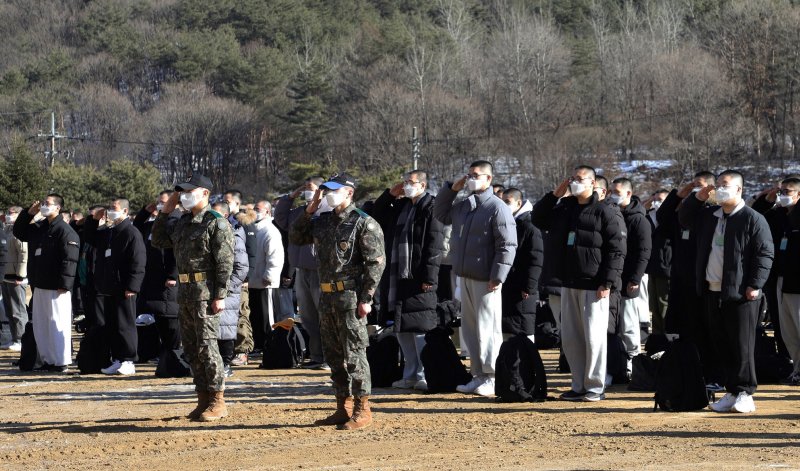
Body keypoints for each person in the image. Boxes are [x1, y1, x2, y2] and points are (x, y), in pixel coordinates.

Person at [289, 172, 385, 430]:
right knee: (333, 354)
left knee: (354, 354)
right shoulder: (322, 222)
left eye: (333, 190)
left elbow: (375, 264)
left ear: (349, 192)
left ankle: (362, 408)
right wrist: (310, 208)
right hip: (327, 296)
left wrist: (367, 298)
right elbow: (296, 236)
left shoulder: (363, 223)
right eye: (326, 191)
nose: (328, 195)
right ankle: (342, 405)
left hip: (351, 297)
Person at [679, 170, 773, 413]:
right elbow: (684, 218)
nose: (720, 188)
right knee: (721, 343)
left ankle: (746, 393)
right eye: (718, 184)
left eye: (725, 185)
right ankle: (731, 391)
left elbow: (765, 254)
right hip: (712, 290)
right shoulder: (710, 215)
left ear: (739, 189)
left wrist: (755, 284)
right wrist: (697, 197)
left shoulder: (753, 218)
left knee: (742, 345)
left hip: (742, 294)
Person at [530, 165, 626, 402]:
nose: (575, 183)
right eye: (573, 179)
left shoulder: (606, 210)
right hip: (568, 281)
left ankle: (595, 385)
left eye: (581, 180)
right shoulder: (564, 208)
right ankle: (578, 384)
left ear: (593, 184)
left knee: (593, 336)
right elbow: (538, 218)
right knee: (571, 337)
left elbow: (617, 249)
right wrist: (554, 195)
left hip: (595, 284)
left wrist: (608, 281)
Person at [151, 174, 234, 422]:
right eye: (181, 192)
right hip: (186, 293)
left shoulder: (215, 222)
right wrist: (168, 208)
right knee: (191, 348)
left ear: (205, 193)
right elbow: (157, 239)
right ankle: (202, 399)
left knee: (208, 348)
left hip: (206, 294)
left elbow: (225, 263)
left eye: (189, 191)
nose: (184, 196)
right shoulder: (182, 222)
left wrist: (219, 295)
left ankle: (218, 401)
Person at [433, 160, 518, 397]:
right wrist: (451, 188)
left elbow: (507, 245)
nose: (471, 178)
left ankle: (492, 376)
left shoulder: (497, 207)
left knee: (488, 328)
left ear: (489, 179)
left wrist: (498, 276)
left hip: (486, 279)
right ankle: (478, 374)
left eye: (476, 175)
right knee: (470, 330)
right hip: (466, 276)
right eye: (469, 175)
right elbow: (440, 213)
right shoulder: (465, 206)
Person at [372, 170, 444, 391]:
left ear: (422, 186)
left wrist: (429, 278)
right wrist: (390, 195)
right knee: (402, 326)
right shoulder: (402, 206)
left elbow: (435, 245)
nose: (407, 186)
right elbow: (376, 215)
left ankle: (423, 373)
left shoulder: (431, 207)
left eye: (411, 183)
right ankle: (409, 373)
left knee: (419, 327)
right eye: (405, 182)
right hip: (397, 276)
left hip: (419, 276)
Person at [658, 171, 722, 390]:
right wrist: (677, 195)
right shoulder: (683, 214)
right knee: (685, 330)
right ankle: (691, 374)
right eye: (694, 187)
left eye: (701, 187)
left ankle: (713, 375)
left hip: (705, 283)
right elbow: (663, 218)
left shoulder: (714, 213)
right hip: (681, 282)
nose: (697, 191)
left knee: (707, 331)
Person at [13, 194, 80, 372]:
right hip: (39, 283)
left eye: (47, 204)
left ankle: (61, 361)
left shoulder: (65, 231)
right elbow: (19, 232)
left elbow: (70, 260)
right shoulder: (40, 227)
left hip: (57, 286)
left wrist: (65, 284)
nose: (43, 206)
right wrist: (28, 214)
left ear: (58, 208)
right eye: (42, 203)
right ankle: (48, 359)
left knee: (57, 323)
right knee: (42, 325)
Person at [83, 198, 147, 376]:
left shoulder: (131, 233)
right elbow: (89, 237)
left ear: (125, 212)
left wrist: (132, 286)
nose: (110, 211)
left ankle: (128, 360)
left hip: (124, 288)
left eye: (114, 208)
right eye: (109, 208)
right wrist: (94, 219)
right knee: (111, 324)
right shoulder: (108, 232)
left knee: (124, 324)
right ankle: (118, 358)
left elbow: (138, 262)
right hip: (107, 287)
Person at [274, 176, 328, 369]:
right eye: (305, 189)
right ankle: (317, 355)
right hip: (301, 268)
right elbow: (280, 218)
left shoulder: (326, 210)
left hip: (320, 270)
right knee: (308, 316)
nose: (307, 192)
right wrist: (291, 196)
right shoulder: (299, 211)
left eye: (311, 189)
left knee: (324, 315)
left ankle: (330, 357)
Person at [752, 176, 800, 384]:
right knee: (787, 333)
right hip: (779, 281)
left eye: (787, 192)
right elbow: (754, 218)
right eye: (781, 191)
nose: (783, 195)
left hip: (798, 283)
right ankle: (796, 370)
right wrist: (766, 200)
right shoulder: (777, 214)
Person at [133, 191, 181, 367]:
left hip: (167, 279)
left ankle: (172, 353)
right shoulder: (155, 223)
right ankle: (153, 352)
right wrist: (145, 212)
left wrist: (172, 275)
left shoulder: (176, 221)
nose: (160, 205)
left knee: (169, 318)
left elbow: (176, 252)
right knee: (152, 318)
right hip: (150, 278)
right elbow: (136, 228)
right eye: (158, 202)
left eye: (164, 202)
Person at [609, 178, 651, 375]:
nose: (612, 194)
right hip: (614, 277)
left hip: (629, 279)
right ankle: (618, 361)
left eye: (616, 191)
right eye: (611, 191)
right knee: (615, 324)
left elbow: (644, 251)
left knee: (628, 323)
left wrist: (635, 278)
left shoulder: (638, 219)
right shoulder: (611, 214)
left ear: (628, 193)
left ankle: (634, 361)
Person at [210, 201, 249, 378]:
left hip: (228, 290)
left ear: (225, 215)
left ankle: (225, 363)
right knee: (212, 329)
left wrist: (226, 288)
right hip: (211, 288)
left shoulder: (234, 234)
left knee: (225, 328)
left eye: (215, 213)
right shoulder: (210, 233)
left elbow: (241, 267)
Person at [500, 188, 544, 340]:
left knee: (523, 328)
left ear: (519, 203)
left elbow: (535, 259)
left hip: (522, 287)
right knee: (509, 327)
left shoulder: (529, 225)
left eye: (508, 202)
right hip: (510, 283)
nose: (504, 205)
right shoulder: (510, 222)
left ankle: (527, 362)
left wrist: (529, 286)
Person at [224, 190, 257, 366]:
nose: (225, 203)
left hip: (241, 277)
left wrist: (247, 276)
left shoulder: (244, 222)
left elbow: (251, 252)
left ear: (237, 203)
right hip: (226, 276)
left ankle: (243, 350)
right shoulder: (226, 221)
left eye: (228, 201)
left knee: (241, 313)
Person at [248, 200, 284, 352]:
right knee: (255, 316)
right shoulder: (253, 229)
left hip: (265, 282)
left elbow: (275, 256)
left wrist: (269, 275)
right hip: (253, 282)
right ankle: (258, 344)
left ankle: (269, 345)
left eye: (258, 209)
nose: (255, 212)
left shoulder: (270, 230)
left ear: (268, 212)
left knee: (267, 317)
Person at [643, 189, 671, 335]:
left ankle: (667, 337)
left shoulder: (673, 216)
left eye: (660, 199)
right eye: (655, 199)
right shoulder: (649, 216)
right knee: (653, 306)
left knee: (664, 305)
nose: (656, 202)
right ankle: (657, 337)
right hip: (652, 267)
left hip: (666, 267)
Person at [0, 206, 27, 351]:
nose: (9, 215)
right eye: (8, 213)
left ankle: (21, 339)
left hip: (16, 277)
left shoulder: (20, 231)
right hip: (6, 275)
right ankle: (13, 337)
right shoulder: (7, 229)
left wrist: (20, 275)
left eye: (12, 213)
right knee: (9, 310)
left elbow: (24, 254)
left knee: (18, 310)